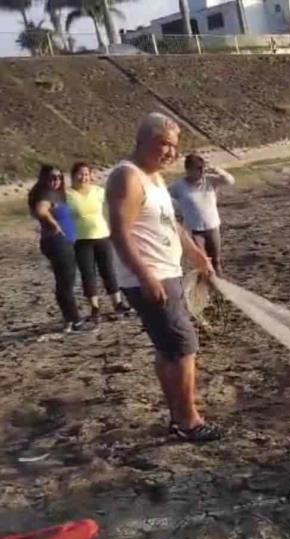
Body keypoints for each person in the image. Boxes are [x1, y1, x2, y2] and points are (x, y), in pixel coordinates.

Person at [106, 112, 221, 443]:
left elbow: (171, 224)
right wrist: (146, 277)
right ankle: (189, 422)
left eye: (175, 146)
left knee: (168, 349)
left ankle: (177, 415)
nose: (171, 152)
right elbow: (119, 232)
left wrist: (196, 256)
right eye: (164, 144)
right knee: (184, 348)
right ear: (142, 141)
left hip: (167, 272)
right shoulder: (127, 177)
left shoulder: (153, 178)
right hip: (151, 277)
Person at [28, 165, 89, 333]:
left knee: (65, 282)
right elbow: (41, 211)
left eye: (59, 177)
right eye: (51, 178)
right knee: (66, 283)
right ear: (43, 179)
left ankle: (69, 319)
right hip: (57, 243)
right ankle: (74, 320)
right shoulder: (44, 195)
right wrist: (54, 225)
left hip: (60, 243)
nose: (56, 181)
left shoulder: (53, 194)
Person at [67, 161, 130, 320]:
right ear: (73, 176)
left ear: (91, 175)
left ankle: (117, 303)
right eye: (80, 174)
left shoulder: (98, 191)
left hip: (102, 236)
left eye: (86, 174)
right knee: (88, 274)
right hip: (81, 240)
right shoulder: (67, 195)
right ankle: (94, 308)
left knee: (108, 271)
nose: (83, 177)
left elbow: (117, 203)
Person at [169, 154, 234, 276]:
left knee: (216, 260)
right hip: (194, 230)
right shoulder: (179, 186)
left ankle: (219, 286)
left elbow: (230, 180)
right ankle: (205, 288)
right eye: (197, 168)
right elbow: (164, 196)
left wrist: (216, 170)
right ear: (188, 170)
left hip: (212, 226)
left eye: (202, 168)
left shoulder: (209, 180)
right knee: (202, 262)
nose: (201, 172)